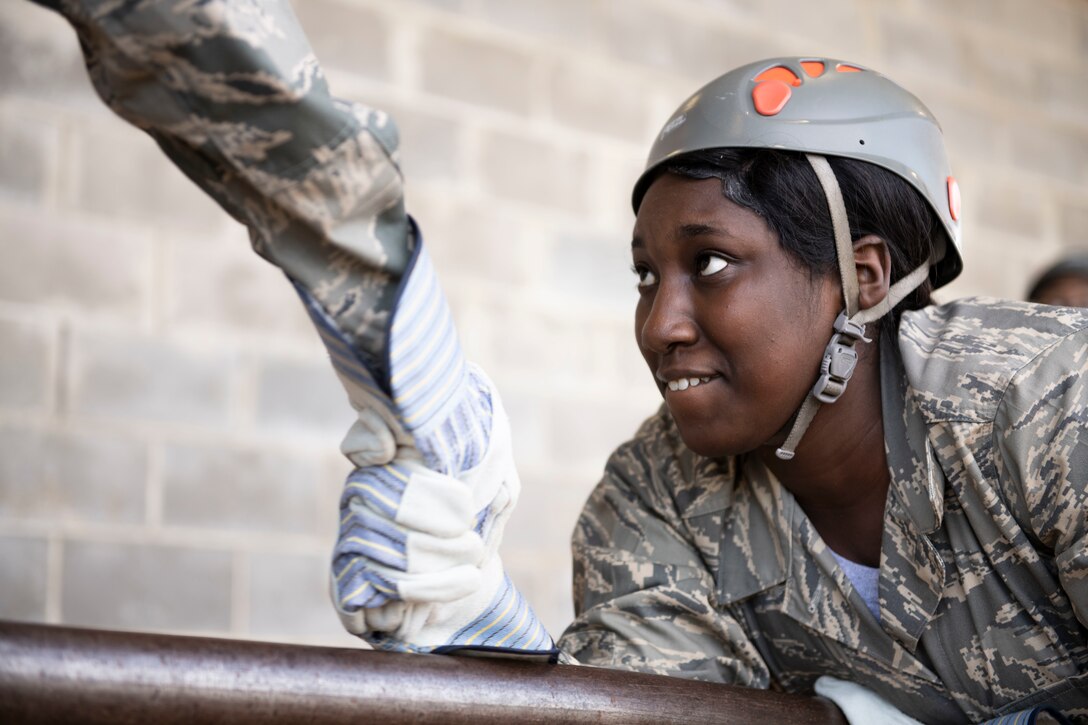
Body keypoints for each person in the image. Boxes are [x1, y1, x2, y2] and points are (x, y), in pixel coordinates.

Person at [34, 2, 1087, 723]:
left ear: (861, 276)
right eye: (643, 276)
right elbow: (647, 707)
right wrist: (473, 633)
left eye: (709, 263)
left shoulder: (1046, 401)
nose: (659, 323)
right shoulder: (658, 495)